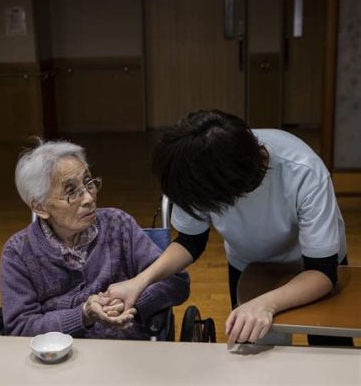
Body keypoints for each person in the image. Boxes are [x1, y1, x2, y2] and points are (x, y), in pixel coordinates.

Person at [106, 109, 352, 347]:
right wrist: (140, 281)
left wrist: (266, 304)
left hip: (314, 268)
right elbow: (190, 241)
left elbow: (322, 273)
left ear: (229, 187)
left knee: (329, 346)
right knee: (254, 349)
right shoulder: (198, 165)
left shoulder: (303, 171)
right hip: (250, 266)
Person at [0, 139, 189, 340]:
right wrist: (83, 315)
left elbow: (177, 281)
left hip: (125, 352)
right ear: (40, 208)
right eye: (71, 191)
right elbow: (19, 327)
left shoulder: (119, 225)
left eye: (89, 183)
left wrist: (132, 302)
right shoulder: (18, 253)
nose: (89, 198)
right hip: (58, 359)